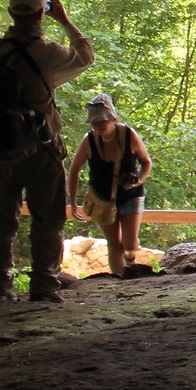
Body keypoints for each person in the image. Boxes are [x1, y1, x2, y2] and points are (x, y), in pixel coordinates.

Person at [0, 0, 94, 302]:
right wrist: (66, 22)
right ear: (42, 13)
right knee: (48, 219)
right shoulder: (48, 55)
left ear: (11, 13)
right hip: (40, 148)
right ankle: (43, 283)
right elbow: (86, 56)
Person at [66, 93, 155, 278]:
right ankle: (120, 279)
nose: (97, 126)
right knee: (113, 242)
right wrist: (73, 203)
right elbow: (74, 170)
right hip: (102, 198)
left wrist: (138, 180)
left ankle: (130, 261)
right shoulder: (88, 140)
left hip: (131, 194)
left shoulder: (129, 135)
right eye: (94, 123)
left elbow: (146, 162)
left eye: (101, 122)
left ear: (112, 119)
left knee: (129, 243)